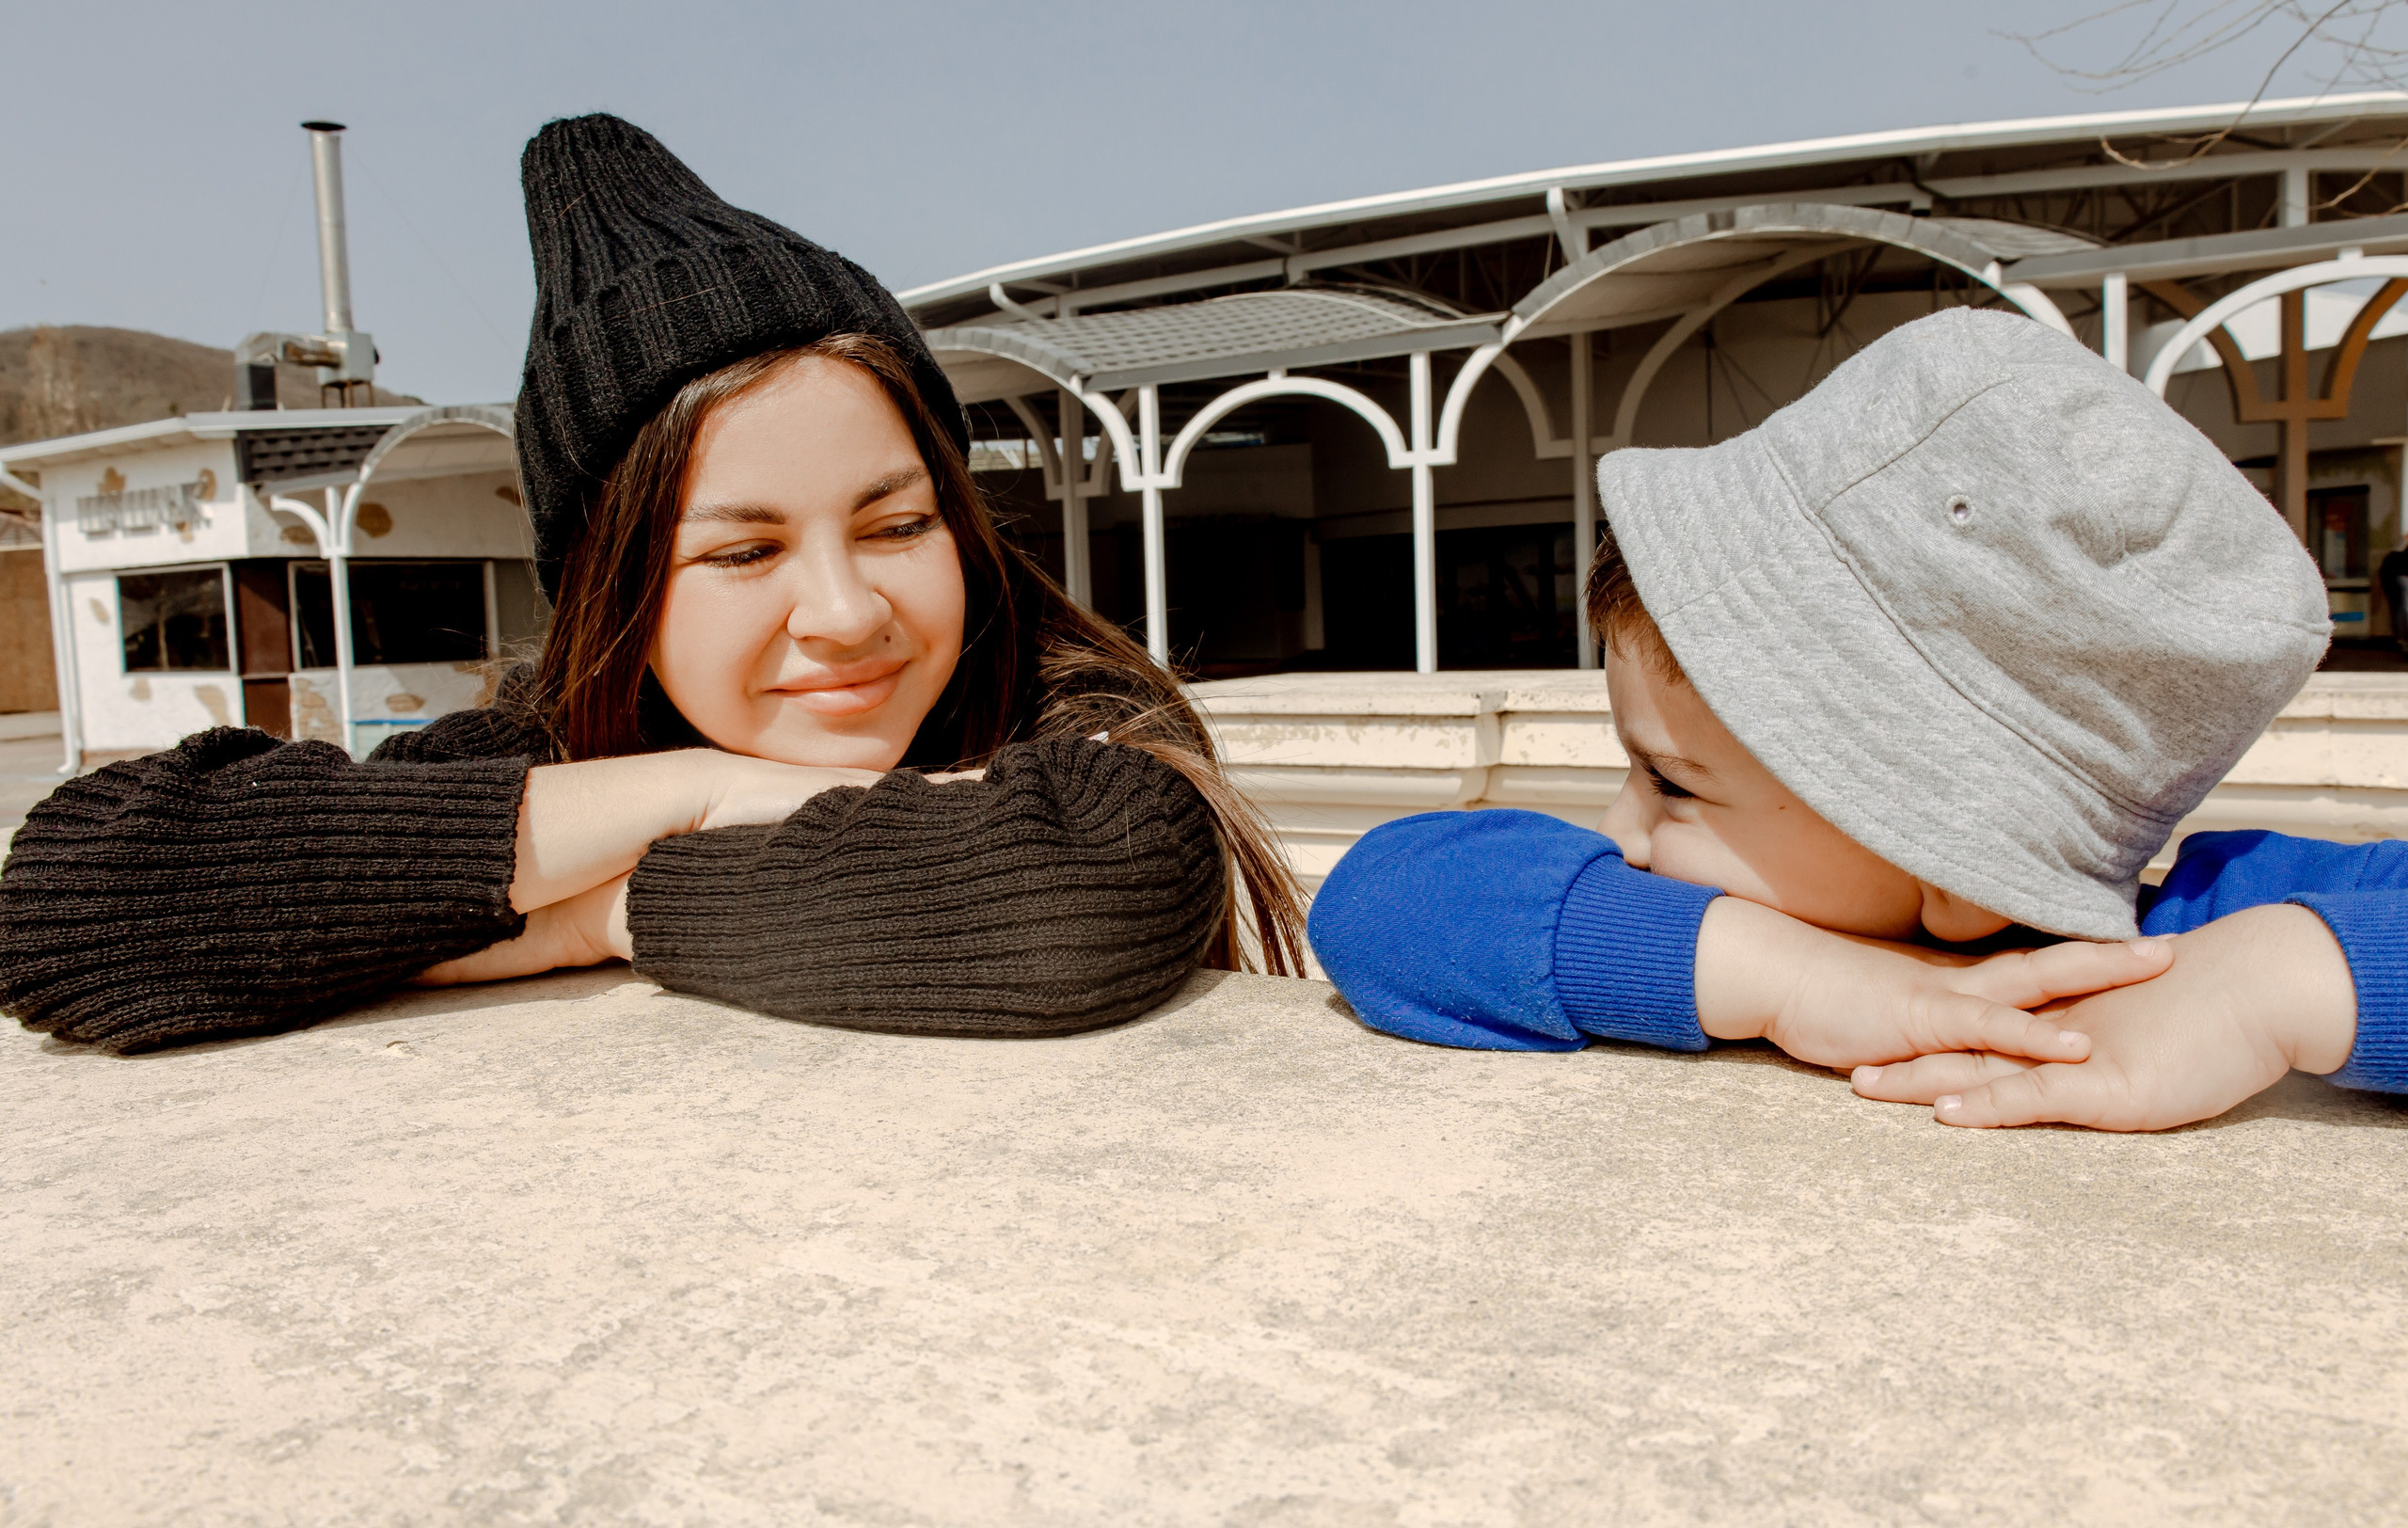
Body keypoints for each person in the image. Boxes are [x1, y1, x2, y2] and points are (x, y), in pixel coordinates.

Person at [0, 115, 1304, 1055]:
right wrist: (702, 788)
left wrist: (610, 901)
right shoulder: (545, 745)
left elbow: (1077, 899)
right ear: (612, 589)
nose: (847, 611)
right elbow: (73, 902)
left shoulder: (1078, 712)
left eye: (897, 523)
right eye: (744, 551)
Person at [1308, 308, 2405, 1132]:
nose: (1622, 831)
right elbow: (1385, 901)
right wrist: (1801, 980)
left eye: (1675, 784)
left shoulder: (2199, 934)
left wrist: (2277, 980)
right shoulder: (1691, 922)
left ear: (1956, 865)